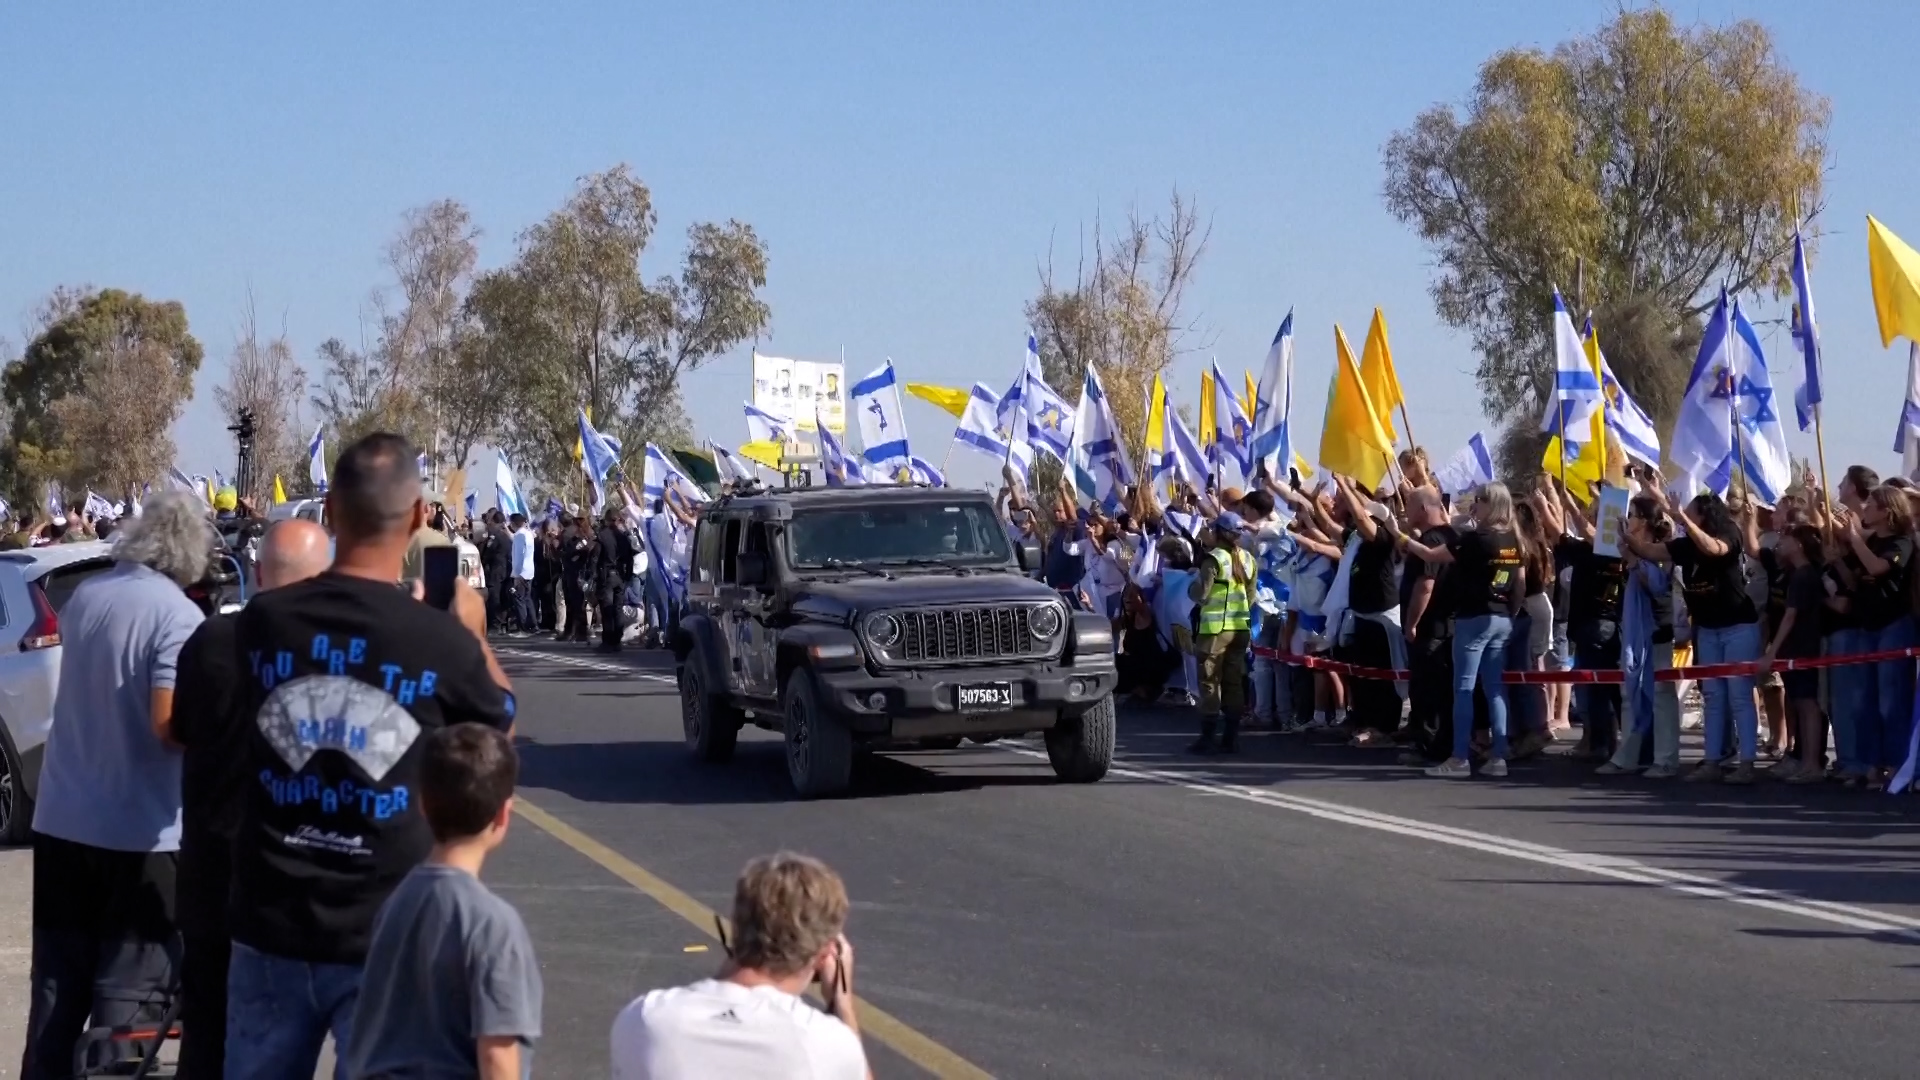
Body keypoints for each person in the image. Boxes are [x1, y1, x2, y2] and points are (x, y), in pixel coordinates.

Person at [223, 433, 514, 1080]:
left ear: (329, 511)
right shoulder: (439, 639)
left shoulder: (263, 622)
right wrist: (470, 634)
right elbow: (497, 730)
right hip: (389, 928)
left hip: (271, 917)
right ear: (419, 517)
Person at [20, 492, 211, 1080]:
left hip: (62, 822)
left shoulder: (87, 598)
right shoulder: (178, 616)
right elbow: (166, 722)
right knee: (126, 1012)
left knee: (55, 997)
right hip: (139, 837)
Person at [171, 518, 332, 1080]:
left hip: (211, 868)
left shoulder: (211, 640)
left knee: (206, 1033)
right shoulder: (335, 653)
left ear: (259, 573)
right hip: (293, 884)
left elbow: (180, 730)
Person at [347, 724, 543, 1078]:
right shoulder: (493, 924)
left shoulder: (397, 901)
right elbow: (497, 1055)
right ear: (503, 814)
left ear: (422, 804)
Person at [610, 852, 870, 1080]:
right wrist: (842, 1003)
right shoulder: (826, 1043)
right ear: (825, 954)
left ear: (736, 927)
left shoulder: (646, 1018)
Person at [1624, 491, 1763, 784]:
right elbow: (1651, 551)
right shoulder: (1685, 545)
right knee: (1712, 696)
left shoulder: (1729, 532)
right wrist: (1624, 537)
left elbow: (1714, 549)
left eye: (1689, 511)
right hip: (1708, 629)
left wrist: (1683, 521)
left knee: (1739, 696)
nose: (1682, 514)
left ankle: (1747, 763)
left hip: (1738, 627)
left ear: (1703, 515)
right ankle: (1712, 761)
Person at [1398, 481, 1525, 780]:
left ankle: (1459, 758)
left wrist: (1400, 537)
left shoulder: (1476, 539)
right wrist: (1510, 612)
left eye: (1479, 500)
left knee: (1464, 688)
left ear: (1491, 503)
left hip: (1473, 618)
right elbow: (1519, 583)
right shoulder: (1513, 539)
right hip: (1501, 618)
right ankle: (1498, 756)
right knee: (1495, 690)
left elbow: (1430, 555)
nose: (1474, 505)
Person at [1833, 483, 1917, 789]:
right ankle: (1870, 765)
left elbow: (1878, 568)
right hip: (1866, 626)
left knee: (1890, 701)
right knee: (1862, 700)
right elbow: (1856, 581)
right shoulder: (1870, 541)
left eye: (1871, 505)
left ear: (1887, 511)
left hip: (1893, 626)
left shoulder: (1902, 543)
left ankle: (1896, 765)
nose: (1865, 509)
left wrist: (1855, 538)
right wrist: (1838, 560)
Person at [1758, 525, 1830, 784]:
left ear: (1799, 544)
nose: (1781, 542)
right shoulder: (1795, 573)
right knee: (1799, 703)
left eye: (1787, 539)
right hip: (1795, 648)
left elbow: (1790, 616)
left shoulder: (1804, 575)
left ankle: (1812, 764)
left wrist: (1771, 652)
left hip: (1804, 647)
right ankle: (1804, 760)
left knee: (1809, 705)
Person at [1396, 488, 1457, 765]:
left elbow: (1425, 585)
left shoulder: (1432, 540)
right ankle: (1439, 743)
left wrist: (1412, 623)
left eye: (1409, 504)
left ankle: (1430, 747)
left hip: (1431, 627)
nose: (1405, 510)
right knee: (1440, 689)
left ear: (1422, 508)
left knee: (1428, 690)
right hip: (1446, 626)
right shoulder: (1451, 536)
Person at [1187, 514, 1256, 754]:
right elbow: (1250, 596)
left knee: (1210, 681)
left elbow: (1201, 594)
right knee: (1233, 681)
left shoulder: (1214, 559)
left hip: (1215, 631)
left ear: (1219, 532)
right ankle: (1230, 738)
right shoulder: (1248, 558)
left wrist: (1191, 586)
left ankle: (1207, 739)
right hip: (1240, 629)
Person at [596, 507, 640, 652]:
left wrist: (593, 575)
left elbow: (596, 557)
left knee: (607, 608)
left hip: (607, 575)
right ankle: (616, 640)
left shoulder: (602, 536)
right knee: (618, 608)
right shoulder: (623, 537)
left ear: (608, 520)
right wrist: (627, 576)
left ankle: (608, 641)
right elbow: (630, 558)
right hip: (620, 576)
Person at [560, 513, 595, 643]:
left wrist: (571, 551)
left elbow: (576, 551)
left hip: (576, 571)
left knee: (577, 603)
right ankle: (573, 631)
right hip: (574, 571)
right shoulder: (579, 534)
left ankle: (579, 632)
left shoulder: (581, 535)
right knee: (574, 603)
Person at [509, 511, 537, 635]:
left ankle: (523, 628)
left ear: (513, 523)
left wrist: (517, 574)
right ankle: (533, 625)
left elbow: (519, 556)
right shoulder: (528, 534)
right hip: (529, 571)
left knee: (519, 600)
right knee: (527, 599)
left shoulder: (519, 535)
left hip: (521, 572)